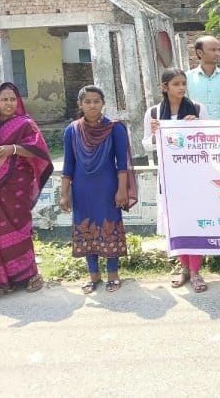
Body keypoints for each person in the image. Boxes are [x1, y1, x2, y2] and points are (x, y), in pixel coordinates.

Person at [60, 86, 137, 293]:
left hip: (108, 188)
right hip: (82, 190)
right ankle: (93, 275)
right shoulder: (72, 130)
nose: (92, 105)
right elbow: (68, 165)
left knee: (109, 227)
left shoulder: (115, 128)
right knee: (86, 228)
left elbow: (122, 164)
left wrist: (122, 190)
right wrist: (63, 193)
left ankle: (113, 274)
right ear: (80, 105)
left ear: (103, 103)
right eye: (88, 101)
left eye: (96, 101)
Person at [142, 68, 209, 293]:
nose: (181, 88)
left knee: (194, 221)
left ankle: (197, 271)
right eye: (176, 84)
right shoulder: (153, 112)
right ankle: (184, 268)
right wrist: (154, 133)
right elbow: (146, 145)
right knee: (176, 223)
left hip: (193, 176)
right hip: (169, 177)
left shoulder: (198, 109)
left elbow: (209, 142)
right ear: (164, 87)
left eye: (183, 84)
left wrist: (196, 126)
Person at [0, 83, 53, 295]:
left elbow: (39, 150)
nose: (9, 103)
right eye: (4, 99)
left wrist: (12, 149)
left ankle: (27, 274)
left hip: (16, 188)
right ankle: (1, 280)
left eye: (12, 99)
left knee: (20, 229)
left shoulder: (25, 124)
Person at [185, 35, 220, 120]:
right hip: (197, 131)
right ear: (200, 53)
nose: (218, 53)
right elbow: (183, 107)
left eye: (219, 50)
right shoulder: (187, 78)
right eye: (213, 50)